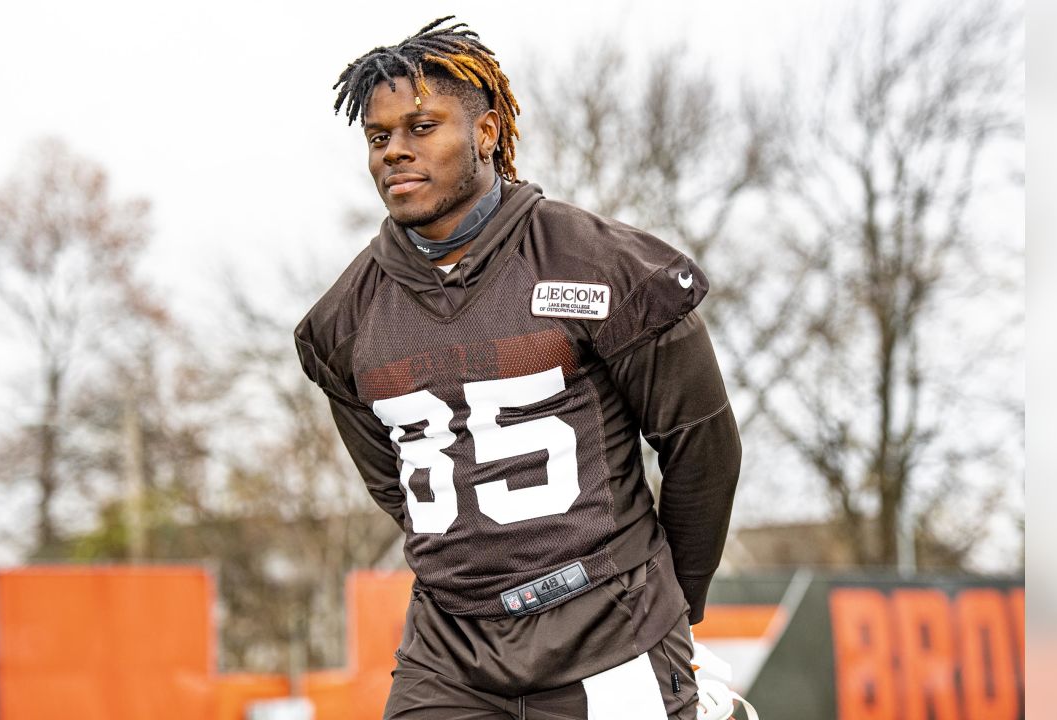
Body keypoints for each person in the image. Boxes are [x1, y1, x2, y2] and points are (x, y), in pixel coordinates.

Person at [295, 16, 750, 719]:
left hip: (609, 626)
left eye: (421, 127)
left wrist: (675, 608)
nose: (395, 152)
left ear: (485, 132)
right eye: (379, 137)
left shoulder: (602, 267)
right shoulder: (345, 321)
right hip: (452, 650)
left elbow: (703, 449)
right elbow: (399, 486)